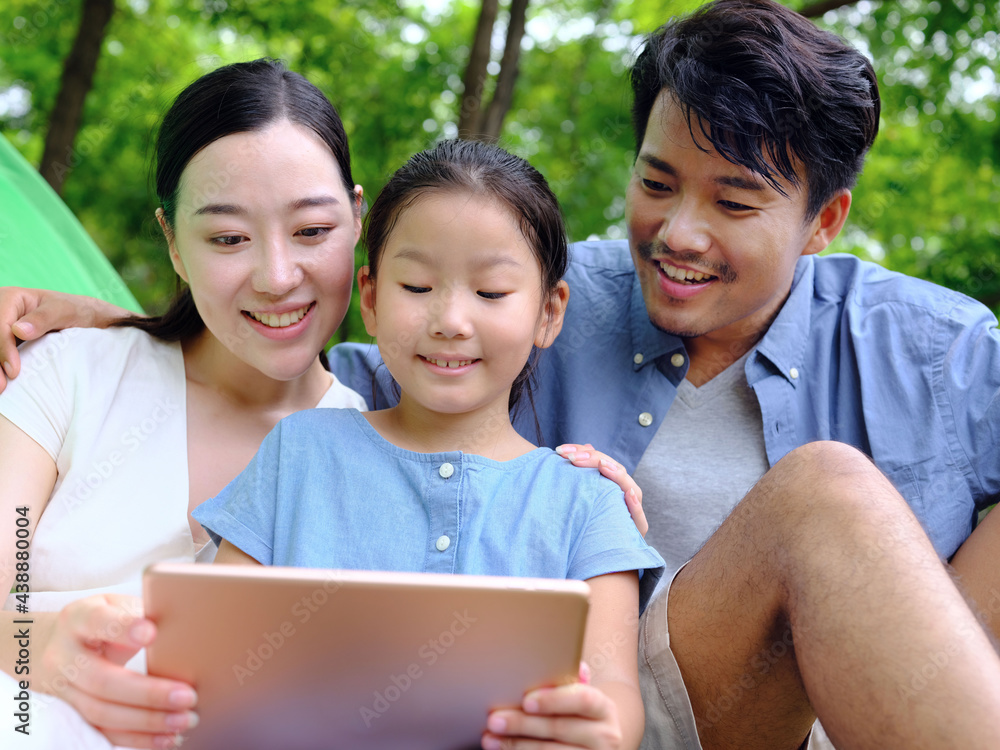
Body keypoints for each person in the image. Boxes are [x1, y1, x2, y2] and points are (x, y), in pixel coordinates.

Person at [5, 1, 1000, 747]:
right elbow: (305, 357)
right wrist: (125, 328)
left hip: (725, 708)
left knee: (826, 492)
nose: (679, 234)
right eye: (655, 184)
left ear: (823, 221)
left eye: (735, 202)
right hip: (563, 704)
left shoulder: (931, 348)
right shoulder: (510, 318)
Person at [195, 138, 664, 749]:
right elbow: (213, 647)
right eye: (416, 286)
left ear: (549, 312)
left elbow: (614, 693)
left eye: (491, 293)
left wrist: (594, 730)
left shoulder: (586, 503)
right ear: (369, 297)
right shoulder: (300, 453)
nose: (449, 319)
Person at [0, 58, 368, 749]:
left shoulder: (382, 454)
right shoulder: (70, 373)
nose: (277, 277)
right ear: (172, 242)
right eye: (228, 239)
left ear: (356, 217)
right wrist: (40, 642)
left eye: (313, 231)